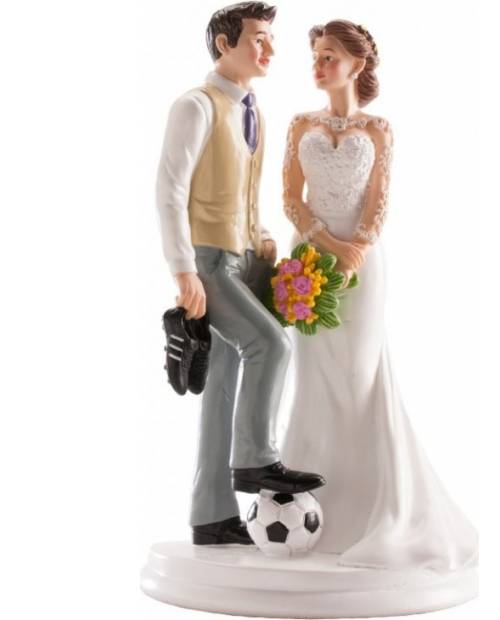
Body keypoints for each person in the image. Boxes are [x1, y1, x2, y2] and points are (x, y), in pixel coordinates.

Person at [279, 19, 479, 571]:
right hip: (309, 259)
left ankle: (369, 507)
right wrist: (327, 245)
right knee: (314, 374)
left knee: (358, 374)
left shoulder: (379, 130)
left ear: (357, 64)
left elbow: (378, 202)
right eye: (316, 56)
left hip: (363, 265)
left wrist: (358, 249)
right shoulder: (300, 124)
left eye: (330, 56)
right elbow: (291, 199)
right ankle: (309, 506)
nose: (319, 66)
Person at [155, 2, 325, 547]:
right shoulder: (195, 105)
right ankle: (255, 459)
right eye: (258, 38)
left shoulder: (251, 108)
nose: (269, 48)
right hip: (209, 261)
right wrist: (183, 269)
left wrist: (262, 236)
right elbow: (170, 191)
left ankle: (210, 515)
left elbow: (241, 192)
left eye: (271, 38)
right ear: (225, 43)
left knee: (222, 390)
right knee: (270, 345)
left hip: (245, 259)